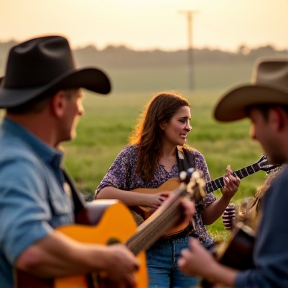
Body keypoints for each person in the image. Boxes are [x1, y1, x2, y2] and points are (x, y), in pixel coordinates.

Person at [0, 35, 146, 288]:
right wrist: (104, 260)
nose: (80, 110)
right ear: (58, 103)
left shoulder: (37, 160)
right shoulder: (17, 162)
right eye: (78, 98)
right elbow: (31, 250)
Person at [95, 91, 240, 288]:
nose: (188, 127)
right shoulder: (131, 156)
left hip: (190, 250)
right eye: (182, 121)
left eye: (189, 121)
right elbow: (102, 193)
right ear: (162, 123)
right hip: (150, 250)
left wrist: (226, 197)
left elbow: (205, 218)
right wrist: (150, 199)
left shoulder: (195, 159)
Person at [178, 58, 288, 288]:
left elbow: (272, 282)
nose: (253, 134)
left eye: (254, 122)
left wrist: (210, 269)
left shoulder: (283, 184)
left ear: (276, 119)